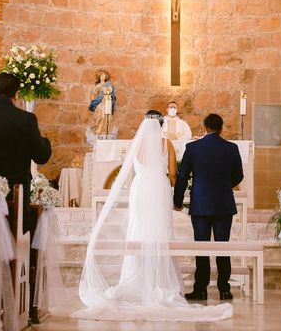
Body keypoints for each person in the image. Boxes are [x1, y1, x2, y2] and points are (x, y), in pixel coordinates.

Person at [73, 111, 231, 322]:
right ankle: (162, 281)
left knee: (139, 229)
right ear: (162, 123)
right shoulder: (167, 144)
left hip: (140, 190)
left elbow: (127, 172)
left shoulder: (135, 145)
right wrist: (176, 194)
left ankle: (137, 278)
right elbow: (174, 174)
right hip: (159, 188)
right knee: (161, 231)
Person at [174, 113, 244, 301]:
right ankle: (224, 289)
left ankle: (201, 289)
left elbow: (182, 176)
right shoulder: (231, 148)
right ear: (222, 128)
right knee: (223, 246)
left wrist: (178, 201)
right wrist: (223, 186)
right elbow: (239, 175)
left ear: (204, 128)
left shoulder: (193, 148)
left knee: (201, 246)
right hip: (223, 203)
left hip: (201, 204)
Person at [0, 72, 52, 230]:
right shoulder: (25, 119)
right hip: (16, 193)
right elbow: (41, 156)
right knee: (17, 234)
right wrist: (46, 142)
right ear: (16, 94)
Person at [87, 69, 116, 140]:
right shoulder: (97, 86)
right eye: (101, 76)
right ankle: (99, 129)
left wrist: (109, 94)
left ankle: (106, 130)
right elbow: (93, 95)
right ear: (99, 77)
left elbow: (113, 95)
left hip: (107, 103)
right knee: (101, 115)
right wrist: (93, 103)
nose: (103, 77)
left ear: (106, 77)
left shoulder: (108, 85)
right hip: (99, 103)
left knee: (108, 116)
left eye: (104, 76)